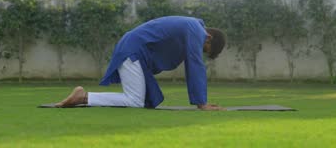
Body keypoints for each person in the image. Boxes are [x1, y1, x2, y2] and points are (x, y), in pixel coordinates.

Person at [56, 16, 227, 110]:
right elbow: (194, 65)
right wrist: (201, 103)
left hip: (136, 51)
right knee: (135, 101)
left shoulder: (191, 27)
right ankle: (84, 97)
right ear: (209, 37)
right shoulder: (196, 30)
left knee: (147, 100)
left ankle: (85, 97)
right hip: (133, 51)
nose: (200, 51)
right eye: (204, 48)